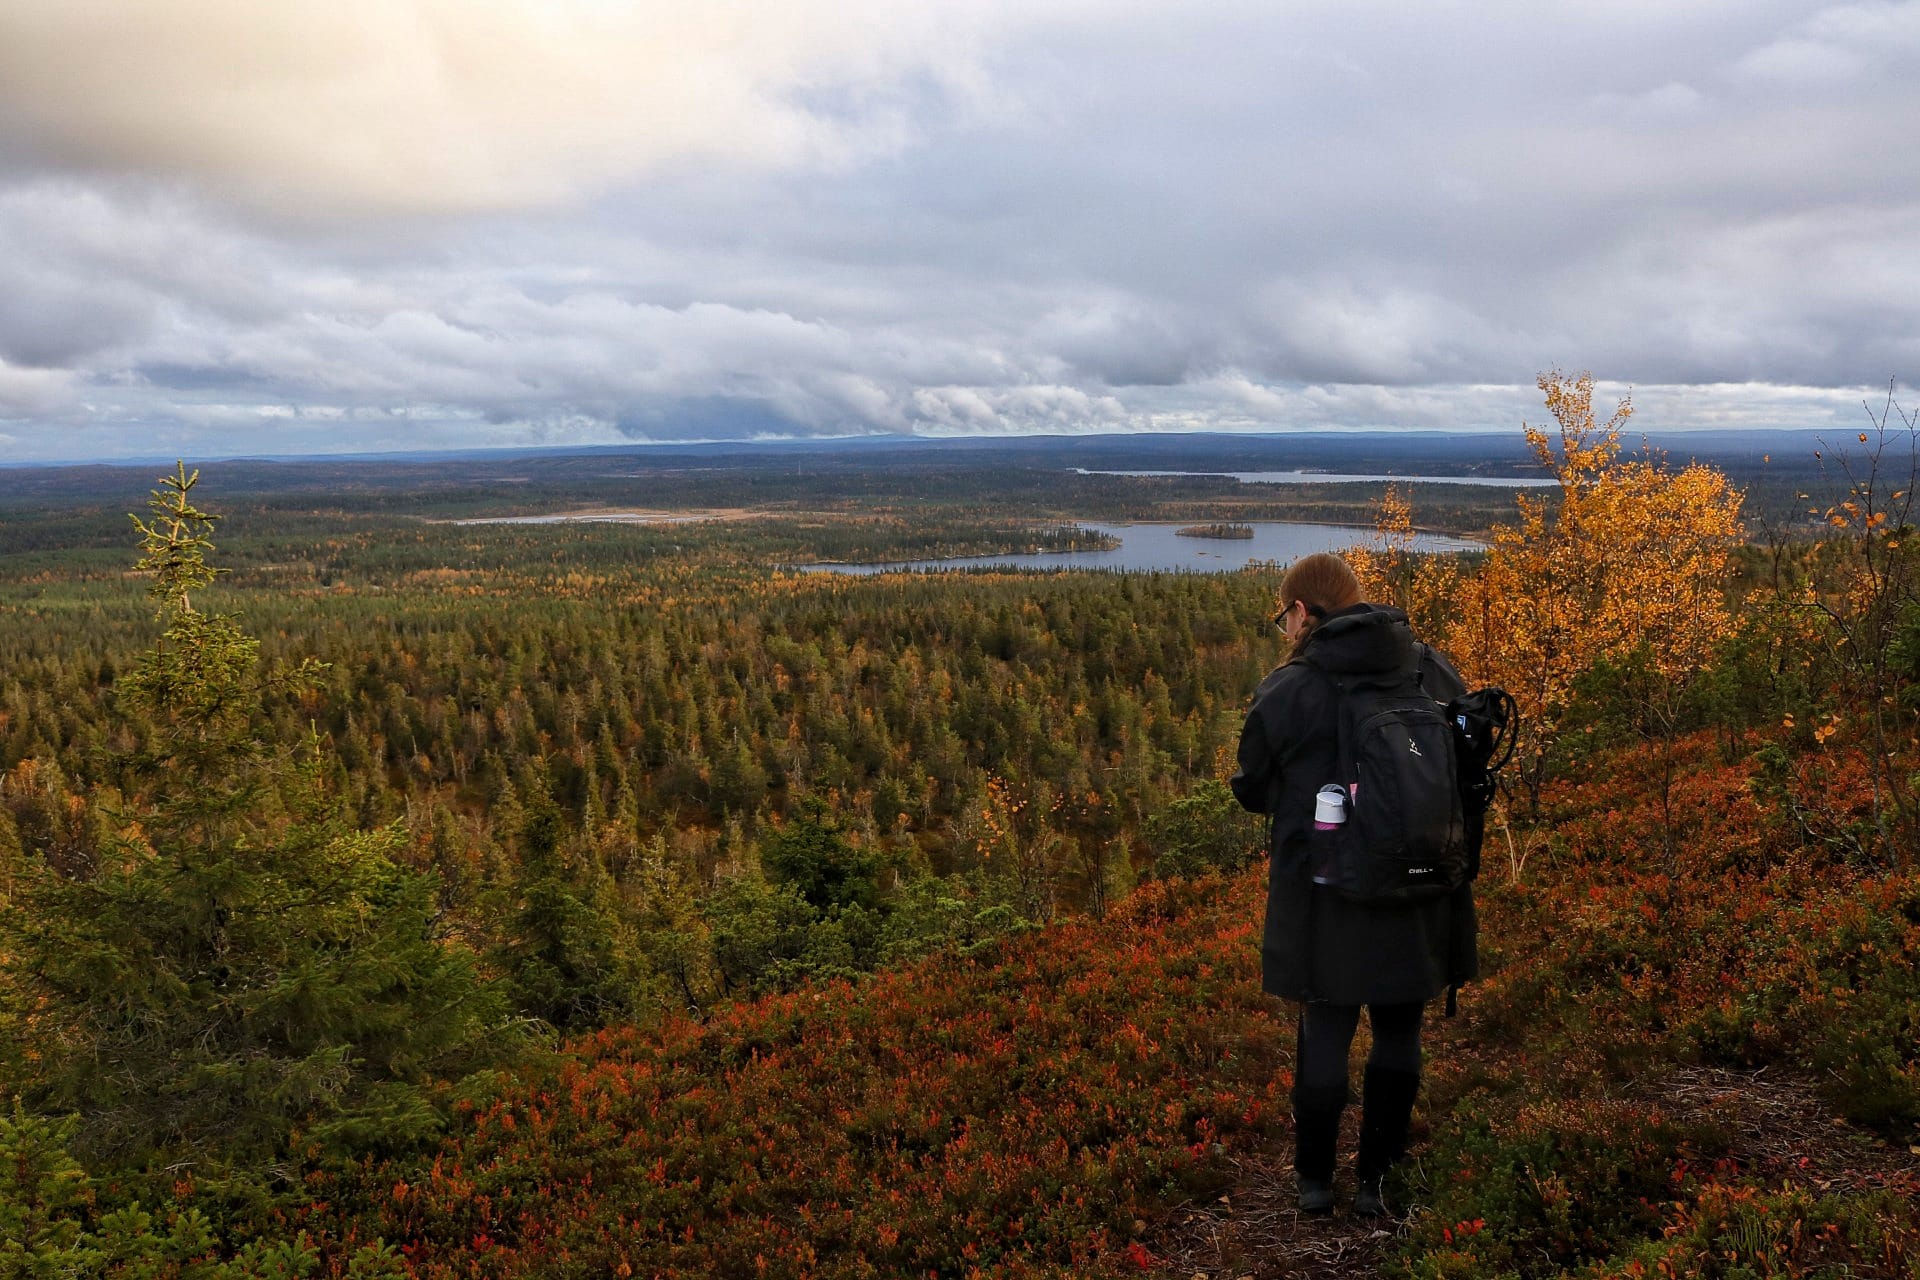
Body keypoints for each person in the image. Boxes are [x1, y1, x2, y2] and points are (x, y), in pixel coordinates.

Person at [1229, 552, 1476, 1217]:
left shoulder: (1291, 687)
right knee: (1400, 1032)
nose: (1286, 628)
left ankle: (1314, 1182)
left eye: (1285, 615)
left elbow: (1252, 788)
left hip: (1326, 890)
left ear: (1303, 611)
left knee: (1326, 1032)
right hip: (1422, 885)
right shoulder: (1428, 666)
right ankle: (1379, 1183)